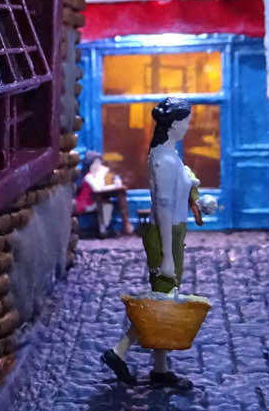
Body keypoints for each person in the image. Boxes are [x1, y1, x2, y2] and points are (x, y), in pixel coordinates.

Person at [101, 98, 208, 386]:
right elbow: (161, 206)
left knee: (164, 300)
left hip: (174, 231)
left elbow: (181, 190)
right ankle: (119, 352)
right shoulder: (163, 160)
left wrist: (199, 199)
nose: (189, 125)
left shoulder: (169, 155)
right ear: (174, 123)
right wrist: (167, 257)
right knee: (161, 299)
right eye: (186, 120)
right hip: (166, 233)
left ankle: (159, 369)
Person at [75, 152, 128, 237]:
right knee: (103, 204)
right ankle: (103, 230)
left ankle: (106, 228)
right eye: (96, 164)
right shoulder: (88, 176)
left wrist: (114, 185)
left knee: (107, 202)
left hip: (95, 199)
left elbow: (102, 187)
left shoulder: (96, 176)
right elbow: (97, 188)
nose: (98, 166)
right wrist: (102, 173)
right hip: (86, 203)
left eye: (99, 163)